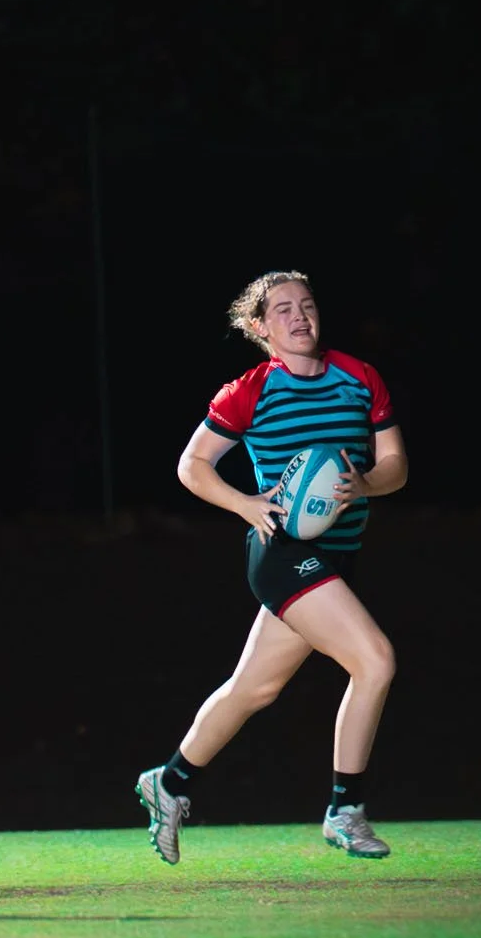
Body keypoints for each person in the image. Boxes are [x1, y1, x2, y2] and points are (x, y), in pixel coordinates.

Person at [135, 270, 408, 863]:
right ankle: (346, 809)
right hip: (282, 554)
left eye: (307, 305)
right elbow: (193, 465)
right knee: (375, 660)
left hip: (334, 556)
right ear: (260, 327)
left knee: (254, 688)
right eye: (283, 310)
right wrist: (244, 504)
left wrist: (363, 484)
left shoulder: (360, 379)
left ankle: (171, 782)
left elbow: (396, 467)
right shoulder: (251, 390)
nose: (300, 317)